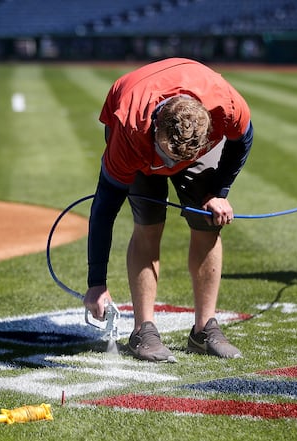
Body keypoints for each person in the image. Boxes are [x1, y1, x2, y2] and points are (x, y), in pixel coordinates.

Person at [83, 58, 253, 362]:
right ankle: (143, 330)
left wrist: (219, 192)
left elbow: (243, 141)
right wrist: (96, 283)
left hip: (187, 126)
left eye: (179, 160)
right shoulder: (130, 128)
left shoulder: (225, 103)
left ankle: (204, 330)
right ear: (157, 128)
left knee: (207, 223)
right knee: (148, 224)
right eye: (167, 156)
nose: (170, 168)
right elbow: (105, 206)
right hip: (137, 129)